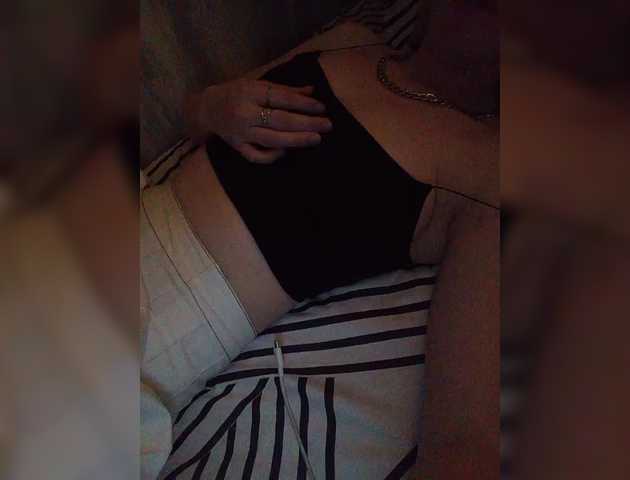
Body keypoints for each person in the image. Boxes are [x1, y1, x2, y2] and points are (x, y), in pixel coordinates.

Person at [141, 0, 499, 477]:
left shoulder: (486, 179)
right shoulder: (351, 40)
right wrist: (213, 106)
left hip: (155, 335)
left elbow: (463, 446)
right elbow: (196, 114)